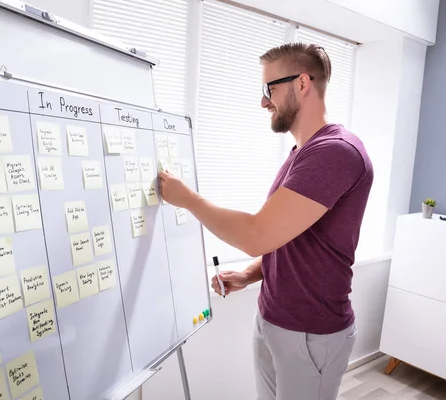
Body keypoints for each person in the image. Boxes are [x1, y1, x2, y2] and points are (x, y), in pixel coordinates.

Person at [158, 42, 374, 400]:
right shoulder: (303, 153)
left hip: (310, 333)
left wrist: (189, 200)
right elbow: (289, 239)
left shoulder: (335, 152)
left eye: (269, 88)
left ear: (302, 83)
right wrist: (248, 275)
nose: (263, 101)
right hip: (275, 319)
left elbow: (257, 234)